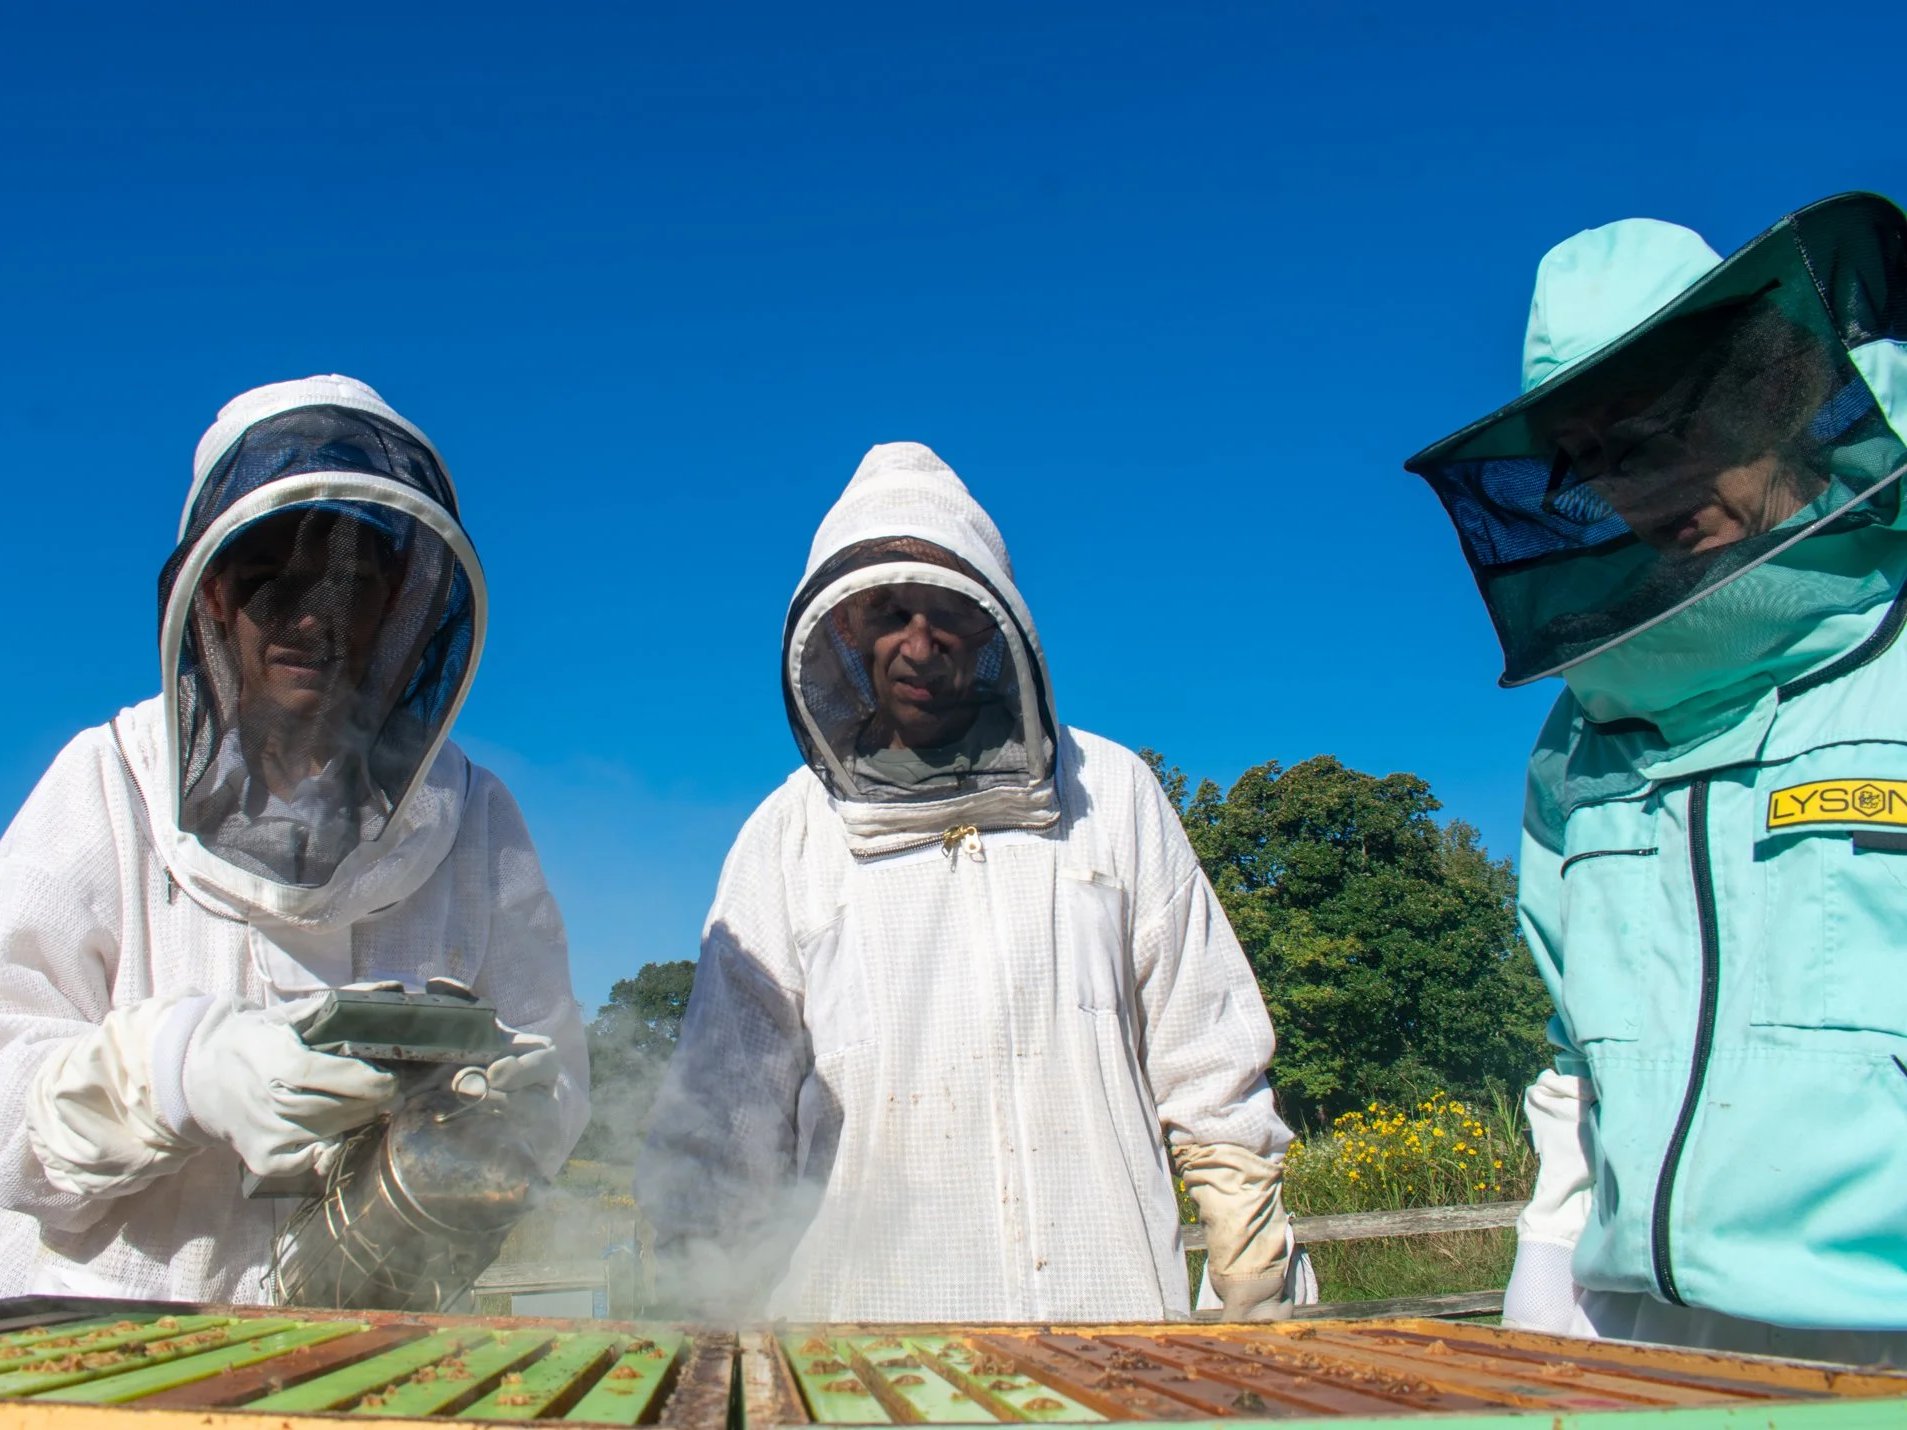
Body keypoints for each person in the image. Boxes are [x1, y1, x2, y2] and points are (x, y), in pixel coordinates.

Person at [0, 375, 589, 1303]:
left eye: (352, 583)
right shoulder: (105, 784)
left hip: (377, 1358)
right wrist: (179, 1072)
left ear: (401, 606)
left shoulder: (473, 818)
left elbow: (549, 1081)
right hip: (107, 1348)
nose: (315, 617)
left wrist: (476, 1114)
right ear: (216, 595)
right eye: (275, 578)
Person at [1405, 193, 1907, 1361]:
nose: (1637, 486)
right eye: (1595, 461)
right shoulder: (1579, 745)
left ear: (1774, 382)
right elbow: (1580, 1069)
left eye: (1666, 427)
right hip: (1646, 1342)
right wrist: (1542, 1316)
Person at [636, 441, 1299, 1323]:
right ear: (844, 628)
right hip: (856, 1358)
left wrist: (1244, 1230)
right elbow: (724, 1123)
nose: (918, 643)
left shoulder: (1113, 796)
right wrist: (700, 1313)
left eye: (946, 606)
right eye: (887, 610)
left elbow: (1206, 1048)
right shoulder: (786, 837)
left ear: (992, 623)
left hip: (1110, 1336)